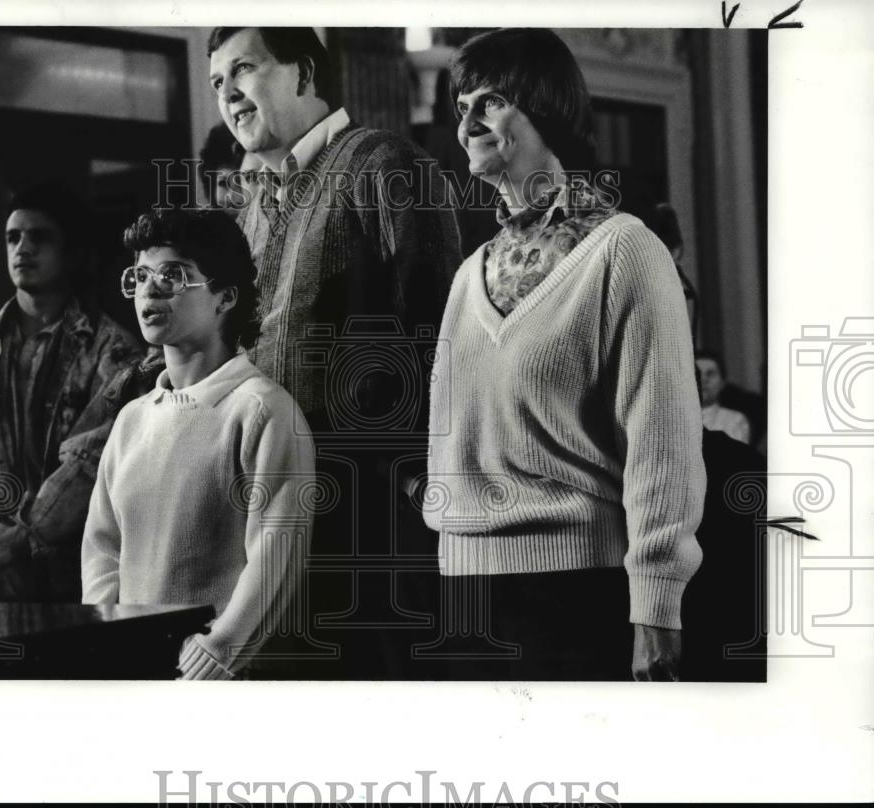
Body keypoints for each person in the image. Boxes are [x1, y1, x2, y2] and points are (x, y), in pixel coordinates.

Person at [424, 28, 706, 681]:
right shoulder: (470, 273)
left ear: (545, 105)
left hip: (577, 589)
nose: (466, 124)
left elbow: (661, 443)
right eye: (459, 106)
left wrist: (657, 605)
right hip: (461, 592)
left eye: (488, 102)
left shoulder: (625, 250)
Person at [208, 27, 463, 677]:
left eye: (244, 69)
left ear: (304, 72)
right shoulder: (251, 206)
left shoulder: (385, 163)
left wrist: (416, 493)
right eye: (216, 83)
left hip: (370, 529)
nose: (229, 94)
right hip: (269, 527)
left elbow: (438, 338)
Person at [80, 208, 315, 680]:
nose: (150, 289)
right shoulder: (131, 420)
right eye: (141, 276)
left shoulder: (262, 411)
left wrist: (218, 649)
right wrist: (109, 634)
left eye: (174, 275)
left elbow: (276, 554)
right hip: (134, 665)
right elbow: (102, 548)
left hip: (222, 675)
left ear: (224, 297)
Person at [0, 182, 142, 602]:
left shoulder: (115, 352)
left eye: (39, 237)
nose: (23, 248)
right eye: (13, 237)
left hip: (79, 573)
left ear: (72, 251)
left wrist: (24, 537)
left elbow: (94, 464)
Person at [696, 349, 752, 444]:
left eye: (710, 374)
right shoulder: (674, 420)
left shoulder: (735, 420)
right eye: (697, 374)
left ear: (722, 383)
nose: (703, 379)